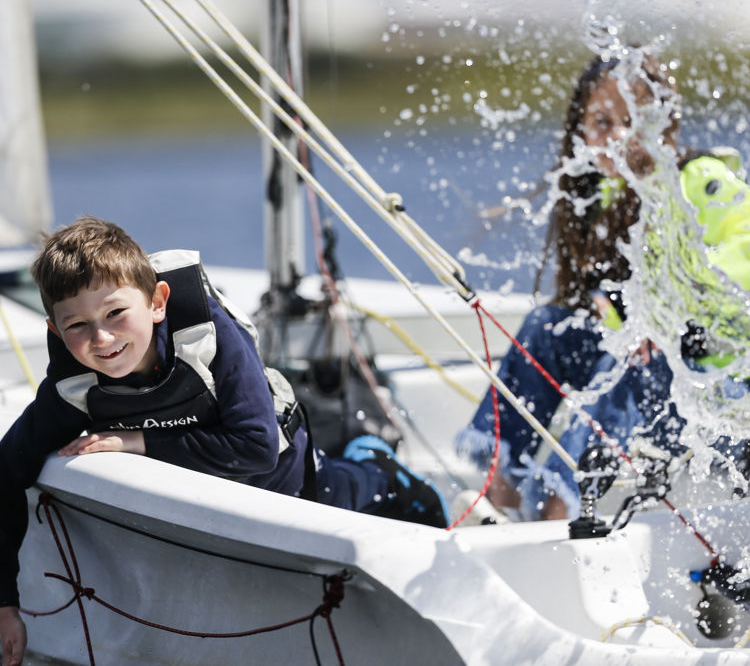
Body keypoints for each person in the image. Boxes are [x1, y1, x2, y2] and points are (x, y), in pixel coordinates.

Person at [0, 217, 449, 666]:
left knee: (383, 494)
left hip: (288, 483)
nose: (101, 338)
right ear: (56, 331)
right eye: (77, 325)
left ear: (157, 302)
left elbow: (256, 447)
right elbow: (6, 471)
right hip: (213, 508)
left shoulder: (207, 334)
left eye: (116, 313)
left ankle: (377, 460)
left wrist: (138, 441)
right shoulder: (72, 386)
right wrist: (5, 603)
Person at [455, 48, 750, 521]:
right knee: (545, 328)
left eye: (630, 122)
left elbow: (743, 258)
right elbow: (621, 301)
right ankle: (500, 499)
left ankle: (558, 513)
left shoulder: (703, 182)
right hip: (648, 379)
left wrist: (675, 314)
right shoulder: (607, 196)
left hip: (716, 397)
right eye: (601, 123)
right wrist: (612, 309)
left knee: (630, 355)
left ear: (663, 125)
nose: (615, 138)